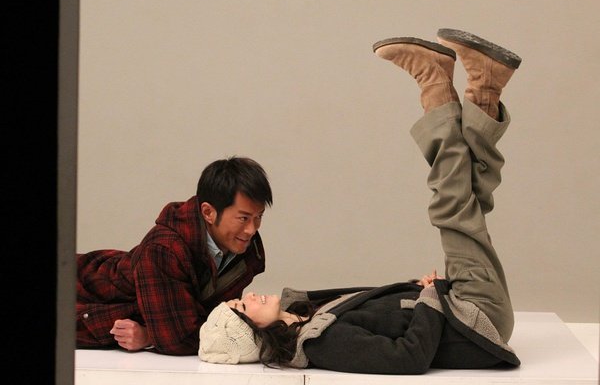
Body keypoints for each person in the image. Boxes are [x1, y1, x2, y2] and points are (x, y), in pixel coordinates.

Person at [197, 28, 523, 374]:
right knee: (452, 208)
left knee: (468, 198)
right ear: (253, 333)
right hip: (475, 320)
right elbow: (407, 358)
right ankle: (437, 81)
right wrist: (429, 300)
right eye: (242, 308)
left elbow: (383, 317)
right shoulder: (320, 344)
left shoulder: (306, 315)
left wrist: (416, 292)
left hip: (463, 309)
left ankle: (483, 85)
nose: (248, 297)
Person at [76, 156, 273, 355]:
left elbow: (219, 321)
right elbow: (178, 338)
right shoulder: (163, 249)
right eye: (243, 218)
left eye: (259, 216)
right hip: (77, 291)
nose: (252, 229)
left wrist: (150, 336)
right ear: (208, 212)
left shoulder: (245, 247)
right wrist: (154, 336)